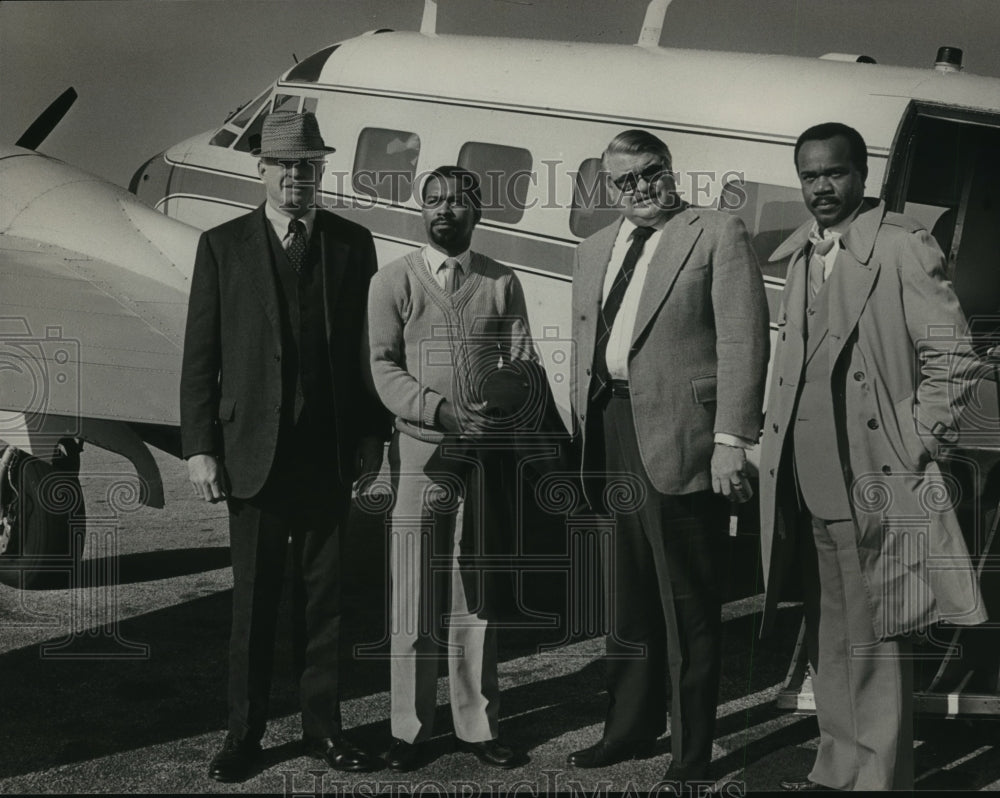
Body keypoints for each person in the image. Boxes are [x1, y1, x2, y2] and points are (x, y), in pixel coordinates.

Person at [758, 122, 987, 791]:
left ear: (863, 176)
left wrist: (921, 441)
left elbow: (955, 359)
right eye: (808, 175)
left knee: (878, 639)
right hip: (808, 482)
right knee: (829, 634)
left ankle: (880, 777)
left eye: (832, 173)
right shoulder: (802, 253)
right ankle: (837, 765)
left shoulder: (901, 247)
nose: (820, 188)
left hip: (874, 479)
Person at [180, 111, 389, 782]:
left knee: (325, 603)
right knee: (255, 602)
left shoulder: (354, 245)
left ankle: (324, 730)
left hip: (326, 453)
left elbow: (364, 354)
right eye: (285, 165)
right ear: (262, 170)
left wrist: (371, 437)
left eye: (309, 165)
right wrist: (200, 446)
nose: (297, 176)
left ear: (320, 170)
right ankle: (244, 735)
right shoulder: (223, 246)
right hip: (252, 454)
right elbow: (201, 355)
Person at [567, 129, 770, 786]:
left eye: (650, 172)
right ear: (608, 187)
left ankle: (691, 751)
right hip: (612, 429)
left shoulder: (716, 233)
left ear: (670, 169)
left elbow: (743, 342)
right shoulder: (594, 249)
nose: (640, 188)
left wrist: (731, 442)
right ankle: (627, 728)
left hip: (684, 438)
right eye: (623, 180)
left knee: (688, 602)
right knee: (626, 598)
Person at [366, 166, 536, 772]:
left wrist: (501, 398)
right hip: (418, 455)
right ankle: (408, 730)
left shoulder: (501, 282)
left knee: (475, 595)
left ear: (477, 212)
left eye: (458, 201)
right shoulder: (393, 282)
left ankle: (477, 725)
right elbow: (382, 368)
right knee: (413, 595)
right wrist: (438, 410)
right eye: (433, 200)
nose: (445, 211)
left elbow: (522, 360)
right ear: (422, 210)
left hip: (481, 458)